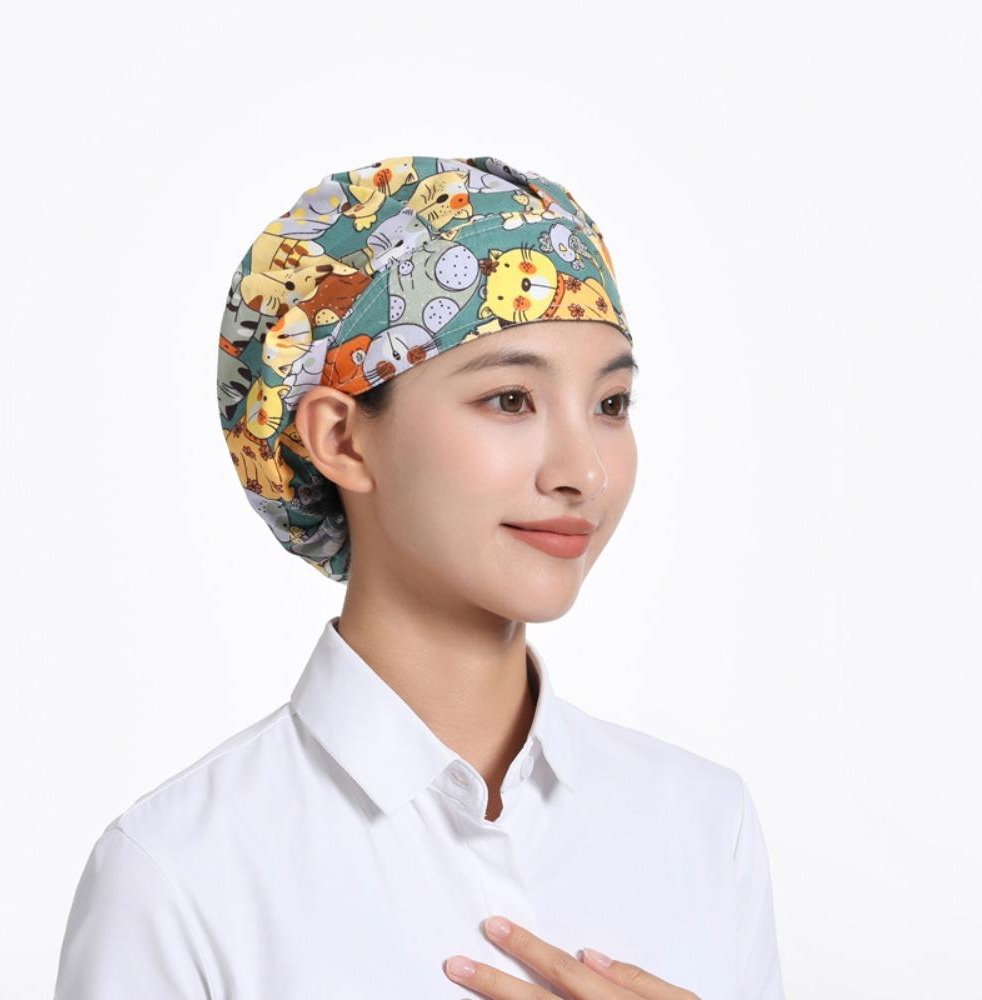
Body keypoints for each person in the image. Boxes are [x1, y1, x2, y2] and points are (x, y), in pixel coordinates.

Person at [53, 156, 786, 999]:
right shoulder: (182, 874)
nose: (584, 471)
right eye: (510, 399)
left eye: (611, 405)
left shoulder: (703, 822)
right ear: (341, 439)